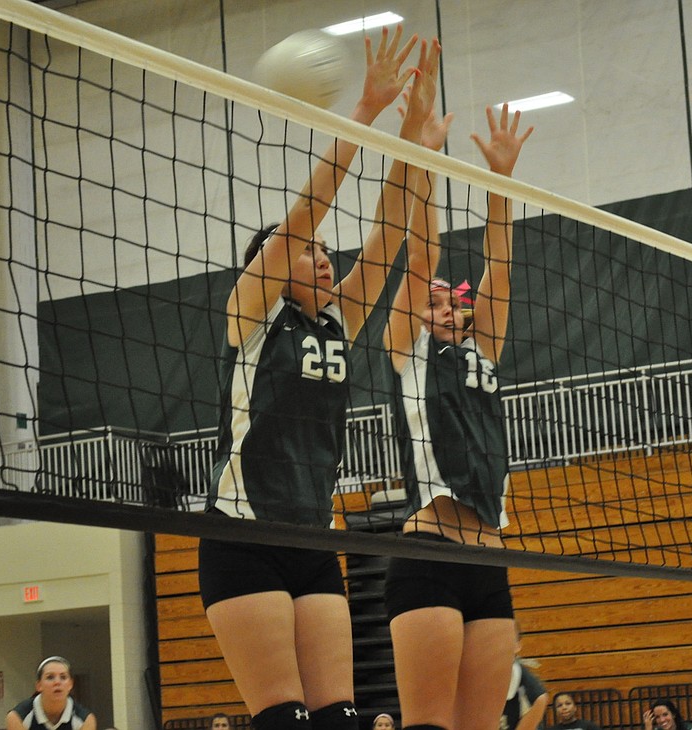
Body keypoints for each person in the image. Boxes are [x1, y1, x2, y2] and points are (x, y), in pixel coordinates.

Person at [197, 27, 439, 730]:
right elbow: (308, 212)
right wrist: (361, 112)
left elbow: (389, 232)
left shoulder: (338, 322)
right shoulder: (252, 312)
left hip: (313, 536)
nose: (325, 259)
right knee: (285, 720)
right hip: (242, 536)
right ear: (273, 267)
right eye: (309, 254)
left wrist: (414, 136)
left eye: (326, 253)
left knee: (338, 718)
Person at [382, 99, 532, 730]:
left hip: (488, 560)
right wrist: (426, 160)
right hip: (429, 554)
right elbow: (425, 253)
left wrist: (499, 179)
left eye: (453, 303)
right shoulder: (408, 355)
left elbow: (499, 265)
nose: (444, 307)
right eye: (434, 302)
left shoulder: (483, 353)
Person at [5, 656, 96, 730]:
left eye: (63, 677)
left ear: (70, 685)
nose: (57, 682)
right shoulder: (17, 717)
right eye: (50, 677)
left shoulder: (86, 720)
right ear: (39, 685)